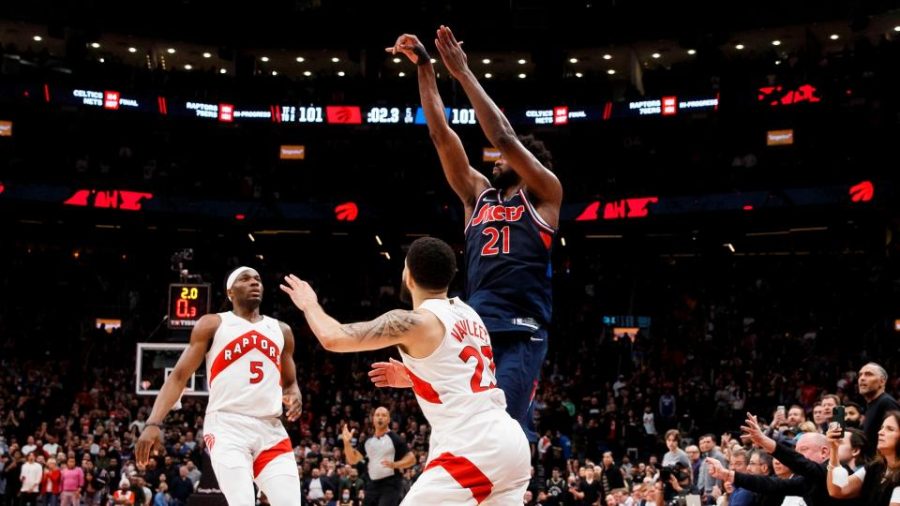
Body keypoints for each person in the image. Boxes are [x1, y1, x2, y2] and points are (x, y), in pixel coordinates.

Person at [388, 27, 563, 442]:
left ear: (527, 162)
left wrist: (463, 73)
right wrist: (427, 69)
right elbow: (440, 135)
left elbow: (503, 135)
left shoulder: (545, 194)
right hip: (476, 322)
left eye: (505, 159)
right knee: (463, 425)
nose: (497, 159)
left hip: (523, 328)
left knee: (504, 428)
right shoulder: (478, 196)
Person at [280, 237, 530, 504]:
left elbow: (334, 337)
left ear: (408, 275)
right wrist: (416, 378)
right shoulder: (470, 315)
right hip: (511, 442)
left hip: (476, 446)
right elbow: (463, 375)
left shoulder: (413, 321)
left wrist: (309, 304)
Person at [136, 267, 304, 506]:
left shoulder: (282, 330)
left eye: (257, 279)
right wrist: (153, 423)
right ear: (230, 292)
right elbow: (178, 376)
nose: (254, 283)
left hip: (271, 429)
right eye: (245, 279)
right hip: (227, 426)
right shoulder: (213, 323)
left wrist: (294, 394)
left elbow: (290, 382)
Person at [341, 408, 415, 506]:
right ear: (373, 419)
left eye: (384, 415)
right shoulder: (368, 441)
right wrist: (346, 443)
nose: (380, 417)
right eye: (377, 415)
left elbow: (412, 459)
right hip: (372, 484)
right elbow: (352, 460)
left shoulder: (395, 439)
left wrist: (395, 464)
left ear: (389, 419)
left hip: (391, 484)